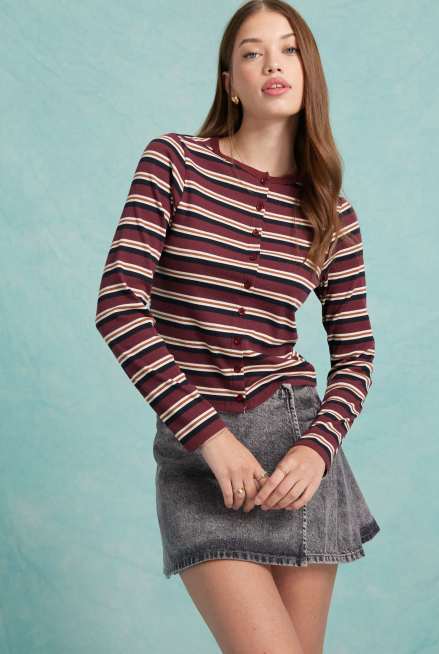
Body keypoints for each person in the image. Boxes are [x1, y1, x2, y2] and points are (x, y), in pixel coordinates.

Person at [95, 1, 380, 652]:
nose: (272, 64)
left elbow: (357, 354)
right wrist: (211, 438)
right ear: (230, 82)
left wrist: (315, 448)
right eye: (252, 53)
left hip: (297, 454)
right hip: (200, 454)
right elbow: (118, 304)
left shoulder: (332, 214)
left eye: (288, 49)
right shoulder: (174, 162)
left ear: (308, 72)